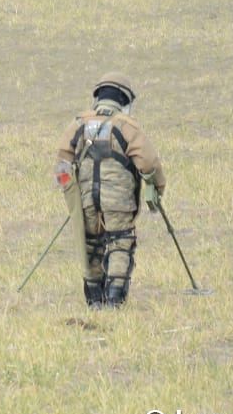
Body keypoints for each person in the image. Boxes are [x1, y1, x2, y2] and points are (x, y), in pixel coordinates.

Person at [53, 73, 166, 308]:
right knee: (120, 242)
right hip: (118, 200)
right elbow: (149, 164)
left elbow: (62, 164)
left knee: (92, 243)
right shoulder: (127, 126)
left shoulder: (78, 124)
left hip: (86, 198)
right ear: (125, 101)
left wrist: (71, 197)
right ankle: (115, 299)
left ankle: (94, 300)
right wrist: (157, 189)